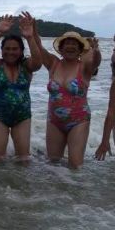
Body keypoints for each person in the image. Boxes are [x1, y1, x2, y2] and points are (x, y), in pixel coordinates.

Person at [35, 30, 101, 168]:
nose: (70, 46)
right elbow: (38, 48)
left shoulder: (84, 67)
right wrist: (32, 32)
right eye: (67, 43)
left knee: (75, 165)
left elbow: (95, 61)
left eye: (74, 44)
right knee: (53, 164)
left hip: (78, 121)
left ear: (80, 50)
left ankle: (77, 188)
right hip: (54, 121)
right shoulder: (53, 63)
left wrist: (96, 50)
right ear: (61, 48)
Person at [0, 12, 42, 162]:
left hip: (22, 116)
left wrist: (29, 37)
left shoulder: (26, 66)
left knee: (24, 158)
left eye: (15, 49)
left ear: (21, 51)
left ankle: (20, 185)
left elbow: (38, 62)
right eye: (7, 49)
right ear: (2, 50)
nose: (10, 52)